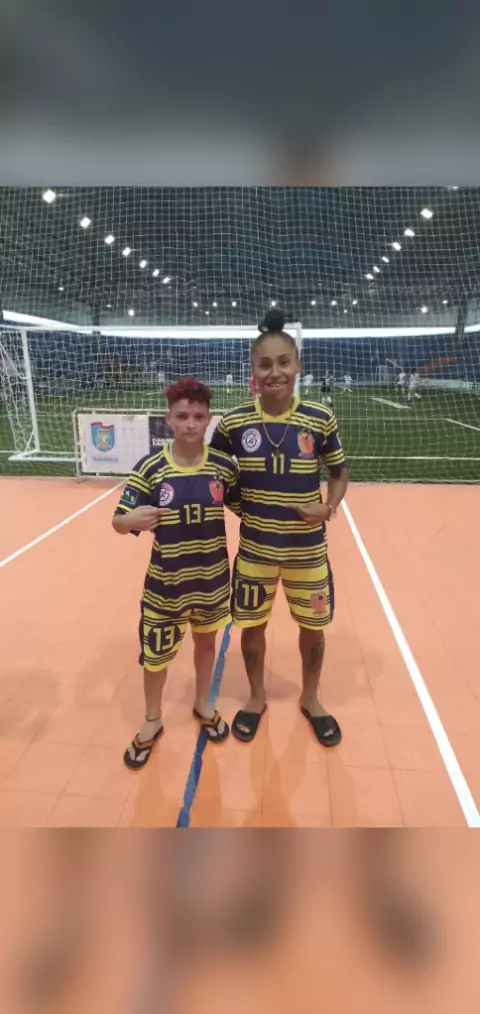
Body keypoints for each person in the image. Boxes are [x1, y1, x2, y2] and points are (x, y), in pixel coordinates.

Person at [210, 309, 348, 747]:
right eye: (265, 364)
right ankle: (256, 698)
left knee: (313, 628)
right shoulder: (233, 423)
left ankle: (311, 699)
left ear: (298, 365)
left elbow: (339, 472)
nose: (275, 372)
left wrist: (328, 507)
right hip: (255, 552)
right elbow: (213, 473)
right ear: (253, 370)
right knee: (251, 628)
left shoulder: (320, 418)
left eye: (284, 362)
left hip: (308, 553)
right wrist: (240, 506)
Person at [112, 376, 241, 769]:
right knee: (155, 658)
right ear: (168, 419)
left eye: (198, 416)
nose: (190, 423)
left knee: (206, 645)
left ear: (209, 420)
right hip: (165, 587)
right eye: (182, 416)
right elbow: (119, 520)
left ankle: (203, 703)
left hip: (212, 583)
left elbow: (246, 506)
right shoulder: (150, 467)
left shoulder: (223, 466)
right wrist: (129, 520)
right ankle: (153, 719)